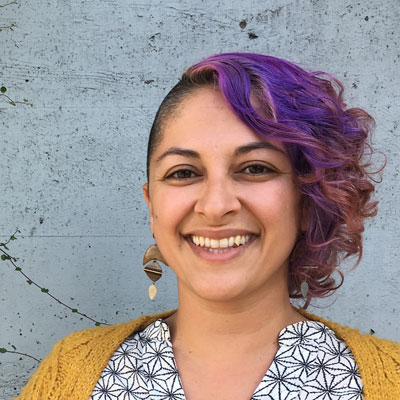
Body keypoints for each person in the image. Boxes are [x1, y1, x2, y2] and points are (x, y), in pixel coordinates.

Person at [16, 53, 400, 400]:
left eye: (255, 168)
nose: (215, 206)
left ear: (308, 198)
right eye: (183, 173)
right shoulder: (73, 373)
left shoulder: (389, 380)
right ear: (152, 207)